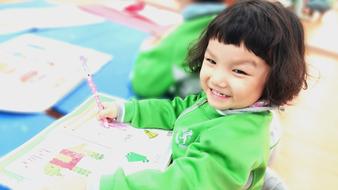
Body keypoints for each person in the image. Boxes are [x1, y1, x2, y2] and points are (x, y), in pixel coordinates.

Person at [41, 0, 307, 189]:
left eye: (238, 71)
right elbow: (179, 109)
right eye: (211, 61)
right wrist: (128, 111)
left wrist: (101, 184)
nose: (216, 78)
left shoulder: (237, 135)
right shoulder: (225, 103)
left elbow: (184, 184)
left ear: (275, 77)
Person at [130, 0, 227, 98]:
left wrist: (147, 48)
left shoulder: (182, 40)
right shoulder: (225, 18)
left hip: (184, 104)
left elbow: (144, 86)